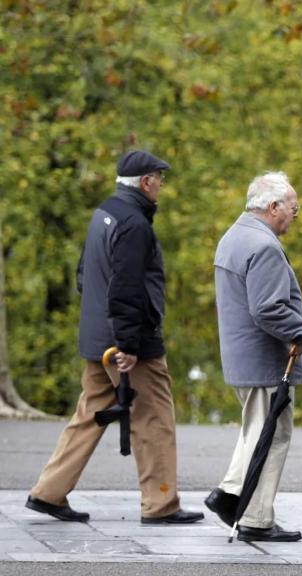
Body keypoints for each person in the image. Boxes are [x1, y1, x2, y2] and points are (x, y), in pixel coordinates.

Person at [26, 150, 204, 525]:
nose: (162, 185)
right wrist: (128, 344)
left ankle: (48, 492)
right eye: (159, 178)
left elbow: (83, 275)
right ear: (145, 182)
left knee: (89, 414)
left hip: (97, 337)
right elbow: (126, 288)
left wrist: (104, 330)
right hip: (127, 344)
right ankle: (160, 504)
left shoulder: (103, 213)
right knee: (154, 418)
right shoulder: (135, 225)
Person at [203, 172, 302, 542]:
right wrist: (300, 331)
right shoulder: (263, 245)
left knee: (256, 431)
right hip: (265, 360)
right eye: (293, 207)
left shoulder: (234, 236)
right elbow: (267, 308)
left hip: (243, 357)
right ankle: (255, 517)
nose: (296, 214)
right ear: (273, 206)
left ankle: (230, 493)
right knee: (272, 434)